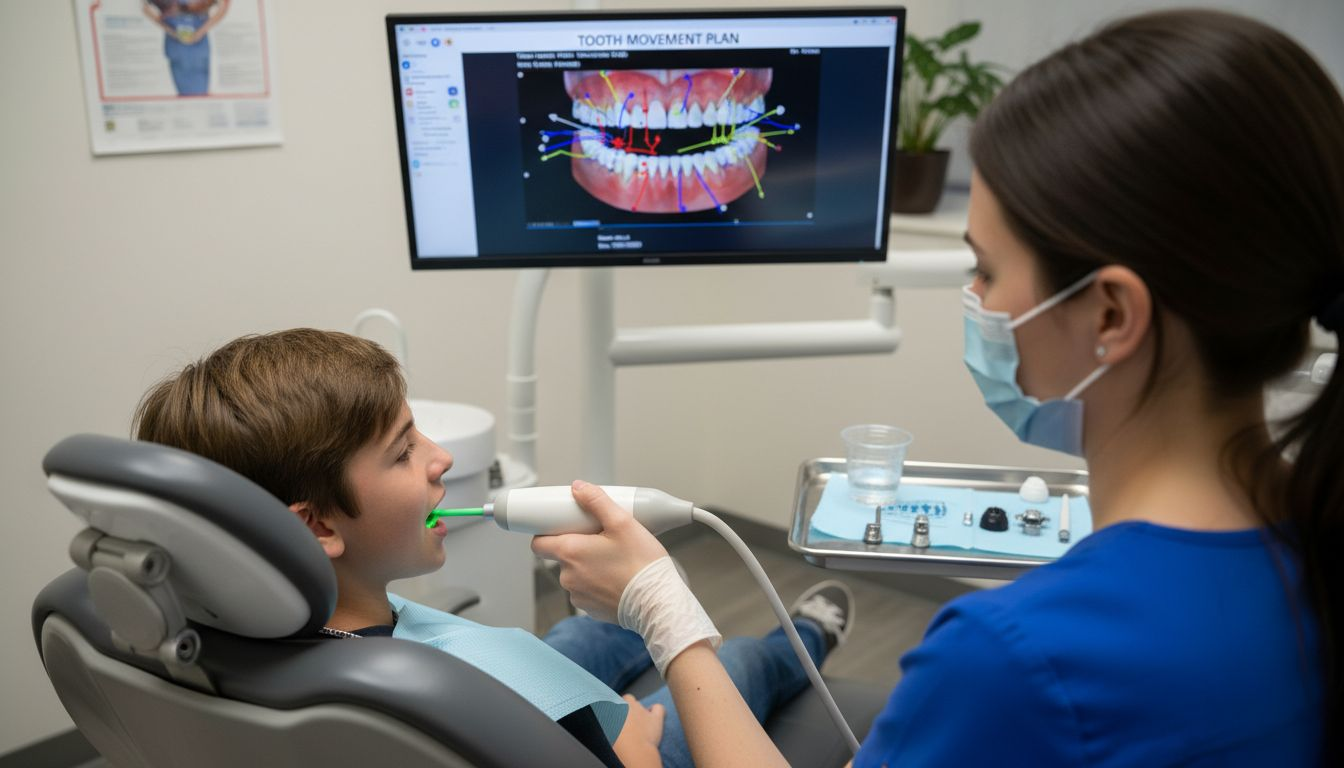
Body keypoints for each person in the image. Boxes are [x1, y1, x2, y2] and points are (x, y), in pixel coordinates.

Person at [533, 9, 1341, 766]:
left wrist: (664, 614)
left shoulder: (1012, 659)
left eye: (986, 270)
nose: (976, 301)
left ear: (1110, 313)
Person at [132, 328, 856, 768]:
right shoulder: (424, 692)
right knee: (730, 661)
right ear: (318, 526)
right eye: (403, 451)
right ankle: (809, 637)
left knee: (578, 632)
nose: (441, 458)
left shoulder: (220, 630)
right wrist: (624, 727)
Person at [142, 0, 230, 96]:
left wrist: (200, 32)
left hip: (197, 46)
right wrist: (170, 31)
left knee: (199, 94)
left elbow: (223, 8)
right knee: (184, 95)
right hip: (176, 45)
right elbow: (145, 8)